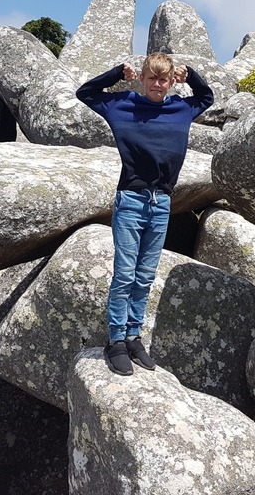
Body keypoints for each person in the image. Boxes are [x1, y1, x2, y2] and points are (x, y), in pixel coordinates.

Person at [76, 52, 214, 375]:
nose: (156, 84)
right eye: (151, 77)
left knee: (145, 275)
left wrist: (190, 74)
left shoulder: (181, 108)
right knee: (125, 274)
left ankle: (134, 336)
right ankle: (115, 341)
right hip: (131, 201)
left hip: (162, 203)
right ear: (142, 77)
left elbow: (206, 96)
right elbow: (85, 93)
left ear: (170, 82)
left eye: (163, 79)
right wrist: (114, 75)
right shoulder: (122, 106)